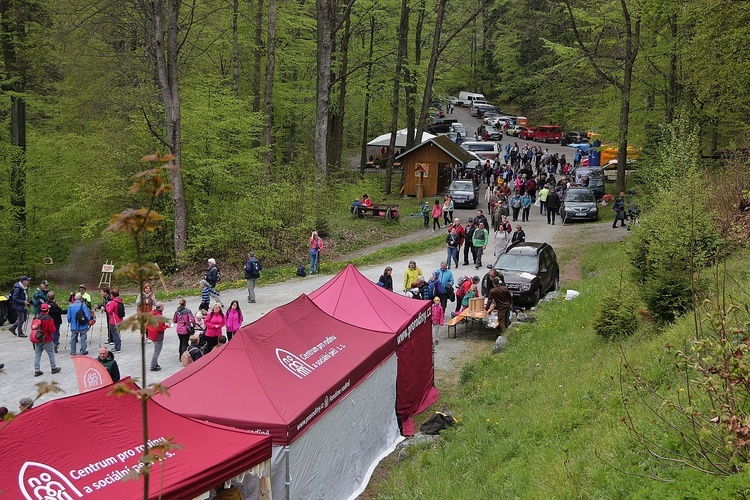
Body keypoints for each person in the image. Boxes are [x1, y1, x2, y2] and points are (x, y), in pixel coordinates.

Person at [33, 303, 61, 377]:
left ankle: (37, 370)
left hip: (37, 339)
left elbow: (33, 327)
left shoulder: (36, 317)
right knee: (51, 354)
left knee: (37, 355)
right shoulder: (49, 318)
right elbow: (53, 330)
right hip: (47, 339)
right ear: (48, 310)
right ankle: (53, 368)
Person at [146, 302, 169, 371]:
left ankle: (155, 364)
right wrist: (167, 326)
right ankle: (153, 366)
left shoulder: (152, 313)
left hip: (152, 333)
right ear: (160, 307)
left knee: (156, 349)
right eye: (163, 306)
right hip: (157, 335)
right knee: (157, 350)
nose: (164, 307)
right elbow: (159, 328)